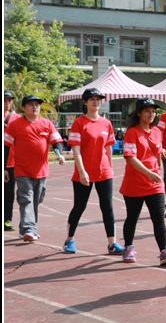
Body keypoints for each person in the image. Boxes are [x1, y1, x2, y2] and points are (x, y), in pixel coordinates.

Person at [119, 98, 166, 266]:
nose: (151, 114)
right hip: (135, 183)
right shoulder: (132, 133)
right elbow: (130, 158)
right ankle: (128, 247)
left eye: (153, 111)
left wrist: (158, 166)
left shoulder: (156, 132)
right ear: (139, 113)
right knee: (132, 217)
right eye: (147, 111)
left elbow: (158, 150)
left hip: (154, 183)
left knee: (158, 218)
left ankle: (164, 251)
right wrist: (148, 173)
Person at [63, 88, 124, 255]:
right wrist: (82, 171)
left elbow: (108, 147)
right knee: (79, 206)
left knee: (107, 207)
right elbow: (76, 149)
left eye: (98, 99)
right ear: (85, 102)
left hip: (103, 171)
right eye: (92, 99)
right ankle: (69, 239)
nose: (96, 102)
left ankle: (112, 243)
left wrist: (110, 168)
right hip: (84, 171)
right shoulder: (79, 123)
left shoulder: (106, 123)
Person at [3, 95, 65, 241]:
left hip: (41, 170)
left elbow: (56, 142)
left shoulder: (47, 124)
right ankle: (29, 229)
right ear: (23, 108)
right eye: (30, 104)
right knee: (26, 199)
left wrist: (59, 154)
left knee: (36, 199)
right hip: (22, 170)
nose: (34, 107)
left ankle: (27, 227)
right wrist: (4, 167)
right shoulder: (15, 125)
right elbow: (5, 147)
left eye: (37, 104)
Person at [4, 90, 22, 232]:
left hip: (10, 161)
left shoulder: (17, 119)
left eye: (9, 100)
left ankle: (6, 219)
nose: (7, 103)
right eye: (5, 100)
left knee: (9, 192)